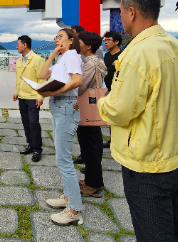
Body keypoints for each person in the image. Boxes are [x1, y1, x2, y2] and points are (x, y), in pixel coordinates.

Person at [98, 0, 178, 241]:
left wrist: (101, 102)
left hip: (146, 158)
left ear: (131, 12)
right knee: (170, 225)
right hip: (173, 148)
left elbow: (120, 110)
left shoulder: (139, 53)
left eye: (120, 11)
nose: (121, 17)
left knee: (153, 232)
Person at [37, 28, 84, 226]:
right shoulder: (62, 58)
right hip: (59, 107)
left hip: (65, 106)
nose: (57, 39)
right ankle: (68, 197)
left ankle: (74, 209)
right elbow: (41, 75)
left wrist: (53, 94)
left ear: (72, 41)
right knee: (61, 156)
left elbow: (77, 81)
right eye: (55, 37)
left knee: (64, 160)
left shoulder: (72, 55)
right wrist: (52, 54)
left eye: (61, 37)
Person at [76, 30, 107, 199]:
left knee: (90, 146)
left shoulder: (89, 64)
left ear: (88, 46)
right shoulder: (94, 61)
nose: (76, 44)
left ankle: (94, 185)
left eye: (79, 42)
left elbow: (80, 86)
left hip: (88, 108)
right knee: (90, 146)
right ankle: (90, 180)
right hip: (90, 109)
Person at [13, 35, 46, 162]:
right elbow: (18, 78)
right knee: (26, 122)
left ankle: (37, 149)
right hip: (22, 96)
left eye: (18, 44)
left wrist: (40, 96)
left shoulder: (38, 59)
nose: (16, 47)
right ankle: (30, 144)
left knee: (34, 122)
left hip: (33, 96)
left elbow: (42, 79)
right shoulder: (19, 60)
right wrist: (16, 92)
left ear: (24, 45)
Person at [101, 30, 122, 149]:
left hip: (118, 90)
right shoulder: (107, 55)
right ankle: (112, 140)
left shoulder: (122, 56)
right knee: (110, 116)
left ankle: (119, 141)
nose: (106, 42)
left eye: (108, 40)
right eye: (105, 40)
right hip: (107, 89)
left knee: (117, 116)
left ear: (117, 41)